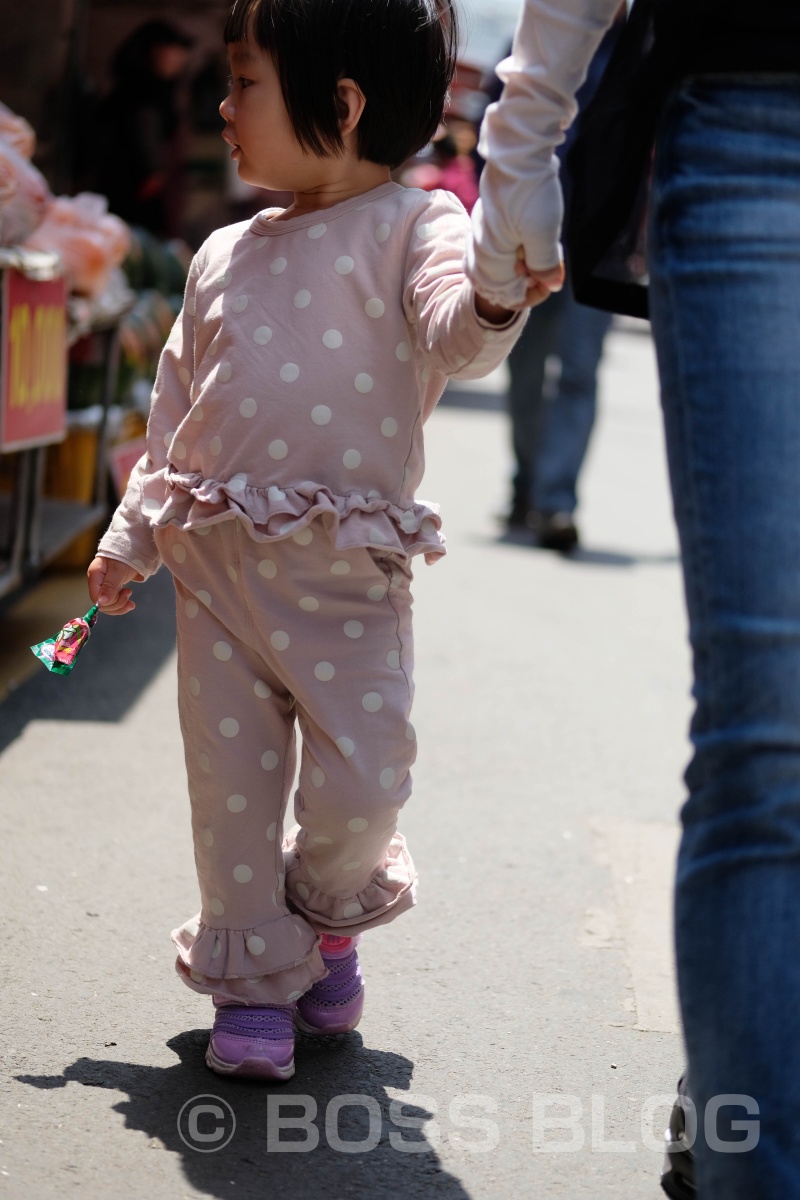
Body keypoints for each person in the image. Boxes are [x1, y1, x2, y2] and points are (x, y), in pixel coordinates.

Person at [87, 0, 526, 1082]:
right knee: (228, 794)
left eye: (243, 84)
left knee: (364, 785)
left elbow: (455, 334)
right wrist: (132, 534)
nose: (222, 107)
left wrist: (495, 291)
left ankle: (322, 919)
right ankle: (252, 988)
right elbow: (175, 415)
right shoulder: (223, 252)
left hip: (346, 583)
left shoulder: (416, 229)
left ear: (341, 104)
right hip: (218, 574)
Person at [469, 0, 800, 1196]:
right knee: (774, 727)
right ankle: (750, 1151)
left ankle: (754, 1068)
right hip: (759, 123)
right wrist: (521, 145)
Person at [496, 19, 622, 549]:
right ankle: (529, 482)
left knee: (579, 373)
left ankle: (555, 501)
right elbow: (496, 128)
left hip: (604, 246)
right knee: (524, 368)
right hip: (530, 241)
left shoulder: (642, 45)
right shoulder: (536, 35)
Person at [97, 21, 193, 238]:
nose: (178, 58)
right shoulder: (142, 94)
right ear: (150, 52)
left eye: (179, 52)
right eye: (170, 50)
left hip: (148, 188)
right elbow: (143, 133)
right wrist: (153, 173)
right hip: (135, 188)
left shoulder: (161, 92)